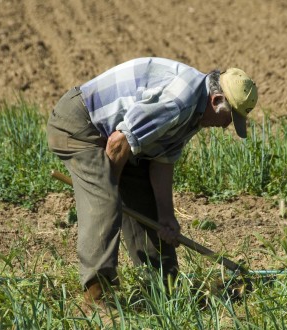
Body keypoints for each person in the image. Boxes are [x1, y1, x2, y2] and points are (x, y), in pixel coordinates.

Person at [46, 57, 258, 307]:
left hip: (116, 137)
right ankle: (97, 299)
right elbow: (117, 143)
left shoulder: (196, 112)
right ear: (216, 100)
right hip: (81, 126)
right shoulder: (179, 102)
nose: (225, 127)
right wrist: (110, 191)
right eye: (229, 119)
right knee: (105, 203)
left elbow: (162, 161)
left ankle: (163, 291)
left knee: (147, 209)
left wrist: (166, 217)